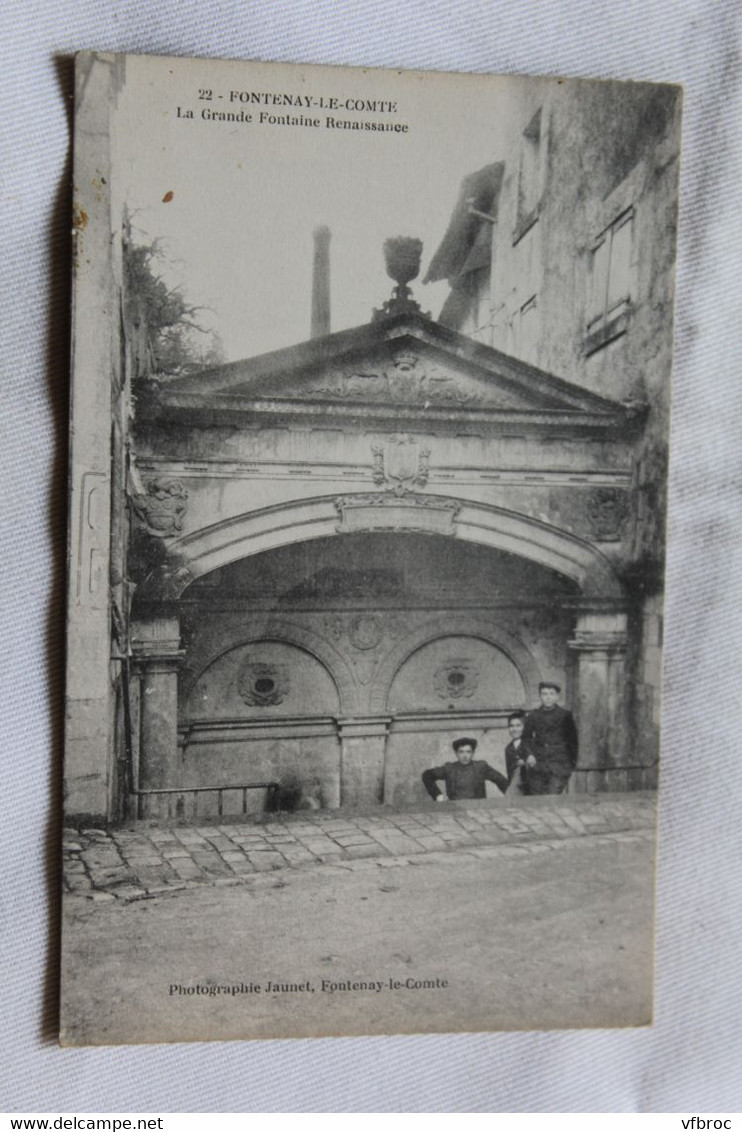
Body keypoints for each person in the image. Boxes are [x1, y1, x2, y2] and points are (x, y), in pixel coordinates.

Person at [522, 682, 578, 795]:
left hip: (559, 765)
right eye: (544, 694)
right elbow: (525, 739)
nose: (548, 697)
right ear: (540, 696)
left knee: (553, 798)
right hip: (538, 766)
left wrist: (570, 765)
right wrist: (529, 755)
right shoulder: (533, 716)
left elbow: (573, 742)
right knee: (537, 800)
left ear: (557, 697)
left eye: (551, 694)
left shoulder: (565, 715)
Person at [422, 737, 508, 802]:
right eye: (461, 752)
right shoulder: (449, 768)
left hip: (478, 808)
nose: (465, 756)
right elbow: (426, 775)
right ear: (456, 753)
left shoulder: (481, 767)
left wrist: (512, 798)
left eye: (468, 752)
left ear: (473, 753)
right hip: (456, 809)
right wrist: (438, 796)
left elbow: (500, 780)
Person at [504, 711, 537, 794]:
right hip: (518, 788)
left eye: (518, 726)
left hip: (533, 787)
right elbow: (510, 773)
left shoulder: (532, 743)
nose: (514, 729)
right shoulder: (508, 749)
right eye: (511, 726)